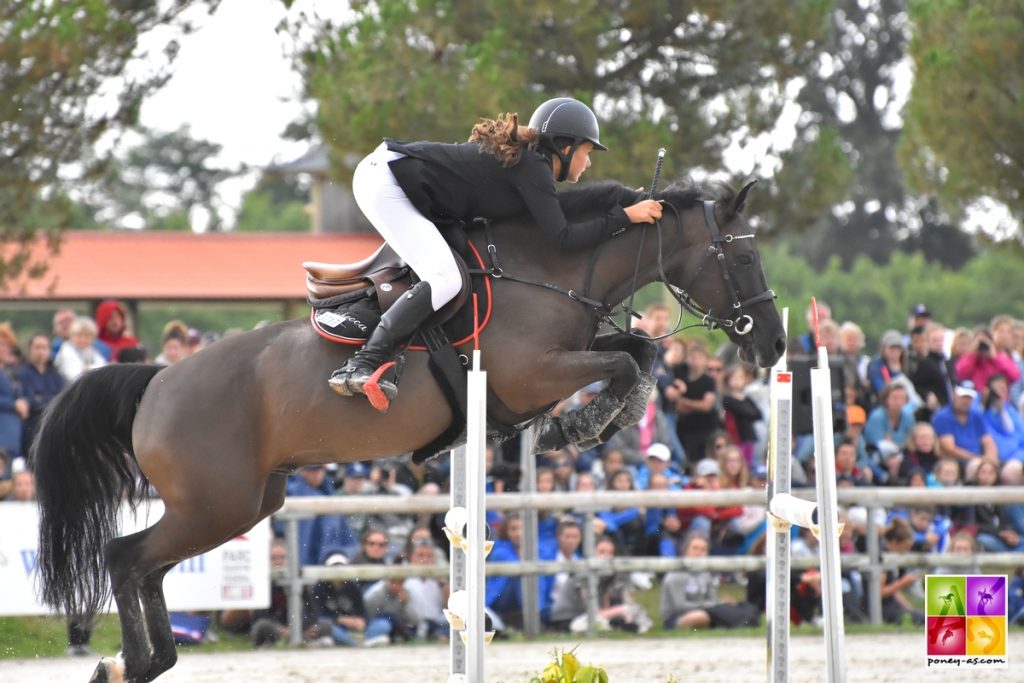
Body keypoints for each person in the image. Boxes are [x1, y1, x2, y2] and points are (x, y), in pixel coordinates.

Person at [327, 98, 664, 408]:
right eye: (587, 151)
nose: (588, 162)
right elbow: (562, 237)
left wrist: (619, 201)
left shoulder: (532, 167)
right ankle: (363, 362)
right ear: (566, 146)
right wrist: (625, 216)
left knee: (460, 264)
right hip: (387, 182)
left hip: (409, 187)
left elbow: (560, 212)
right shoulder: (533, 166)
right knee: (445, 279)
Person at [660, 530, 759, 631]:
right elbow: (680, 606)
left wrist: (721, 603)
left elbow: (712, 599)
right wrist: (712, 606)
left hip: (706, 611)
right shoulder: (675, 575)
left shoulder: (705, 573)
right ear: (685, 550)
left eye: (703, 550)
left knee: (741, 606)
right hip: (677, 617)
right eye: (695, 548)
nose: (699, 553)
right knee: (700, 617)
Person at [932, 380, 998, 482]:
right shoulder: (943, 416)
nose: (966, 400)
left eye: (969, 397)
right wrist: (978, 459)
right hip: (955, 460)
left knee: (1007, 468)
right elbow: (950, 448)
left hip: (978, 459)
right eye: (963, 396)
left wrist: (991, 460)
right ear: (954, 394)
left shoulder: (976, 415)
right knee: (979, 467)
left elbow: (988, 441)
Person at [15, 332, 65, 456]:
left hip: (52, 425)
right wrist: (47, 399)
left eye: (44, 347)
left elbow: (61, 400)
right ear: (30, 349)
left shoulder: (56, 375)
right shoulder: (22, 373)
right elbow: (29, 400)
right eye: (37, 347)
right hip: (31, 426)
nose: (41, 351)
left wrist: (41, 397)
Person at [53, 316, 107, 382]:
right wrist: (92, 369)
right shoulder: (66, 350)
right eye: (79, 335)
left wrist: (87, 369)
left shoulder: (92, 351)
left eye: (87, 336)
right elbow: (75, 376)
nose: (82, 339)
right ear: (72, 335)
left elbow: (104, 368)